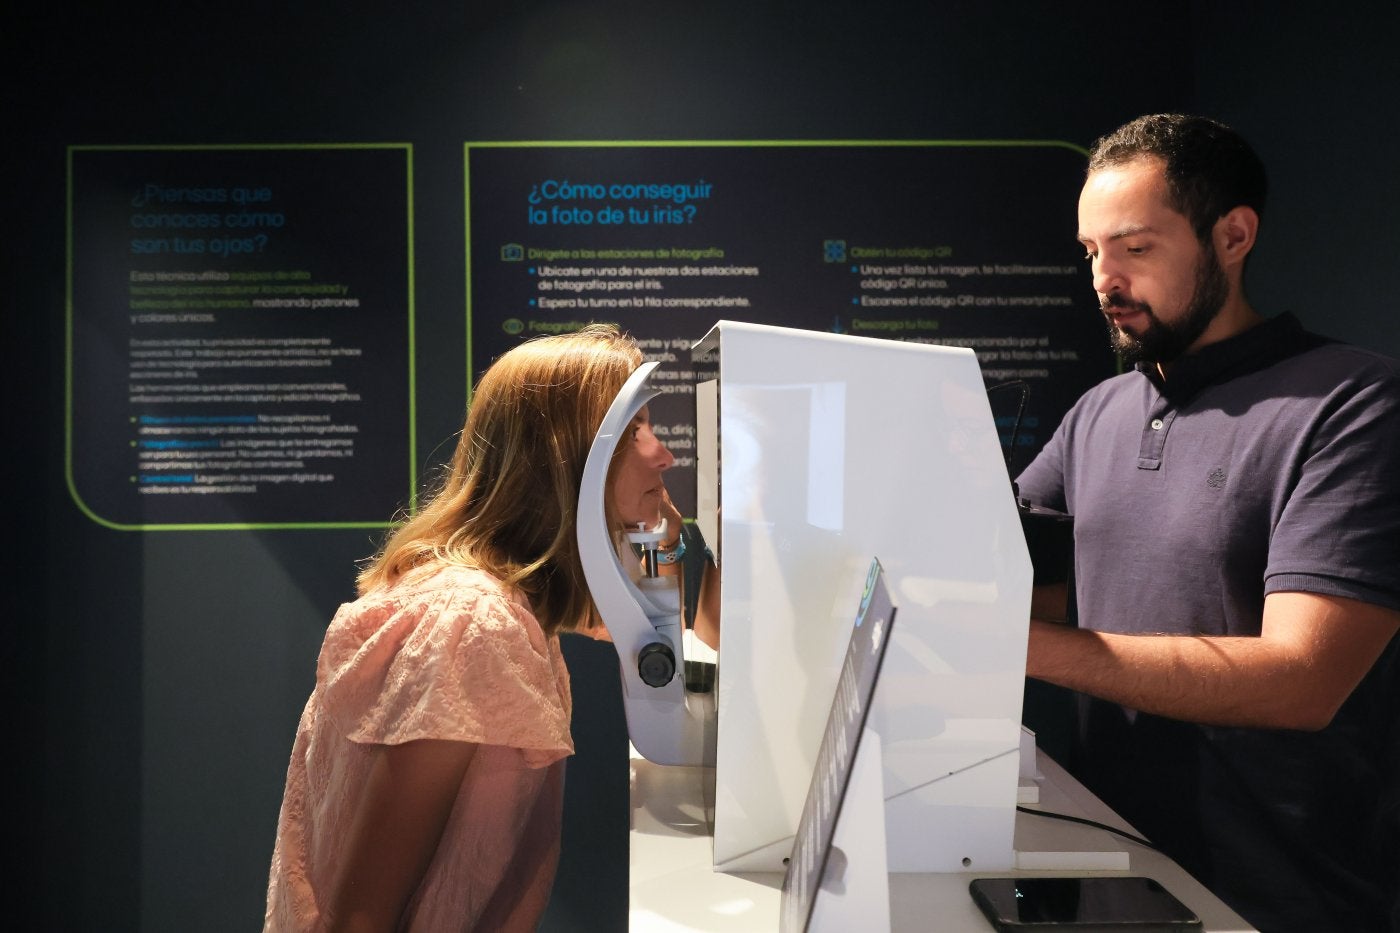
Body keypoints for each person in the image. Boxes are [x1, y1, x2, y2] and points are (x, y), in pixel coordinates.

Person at [1015, 114, 1400, 932]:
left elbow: (1305, 679)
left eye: (1135, 248)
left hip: (1284, 899)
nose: (1103, 280)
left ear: (1233, 235)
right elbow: (1015, 581)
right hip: (1112, 872)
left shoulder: (1356, 403)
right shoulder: (1099, 412)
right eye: (1091, 253)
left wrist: (1022, 646)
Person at [264, 324, 680, 932]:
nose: (664, 452)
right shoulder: (473, 625)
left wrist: (660, 525)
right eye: (638, 430)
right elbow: (361, 920)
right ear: (570, 459)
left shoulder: (514, 601)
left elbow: (665, 628)